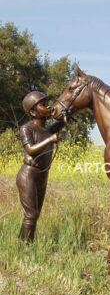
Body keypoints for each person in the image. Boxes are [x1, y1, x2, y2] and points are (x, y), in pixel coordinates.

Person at [16, 91, 65, 242]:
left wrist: (66, 111)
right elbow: (30, 149)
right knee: (30, 214)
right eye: (43, 104)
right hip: (28, 175)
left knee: (35, 214)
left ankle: (22, 241)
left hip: (42, 175)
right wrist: (50, 140)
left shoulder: (47, 129)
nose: (47, 107)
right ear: (33, 111)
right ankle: (26, 248)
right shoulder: (27, 129)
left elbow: (62, 121)